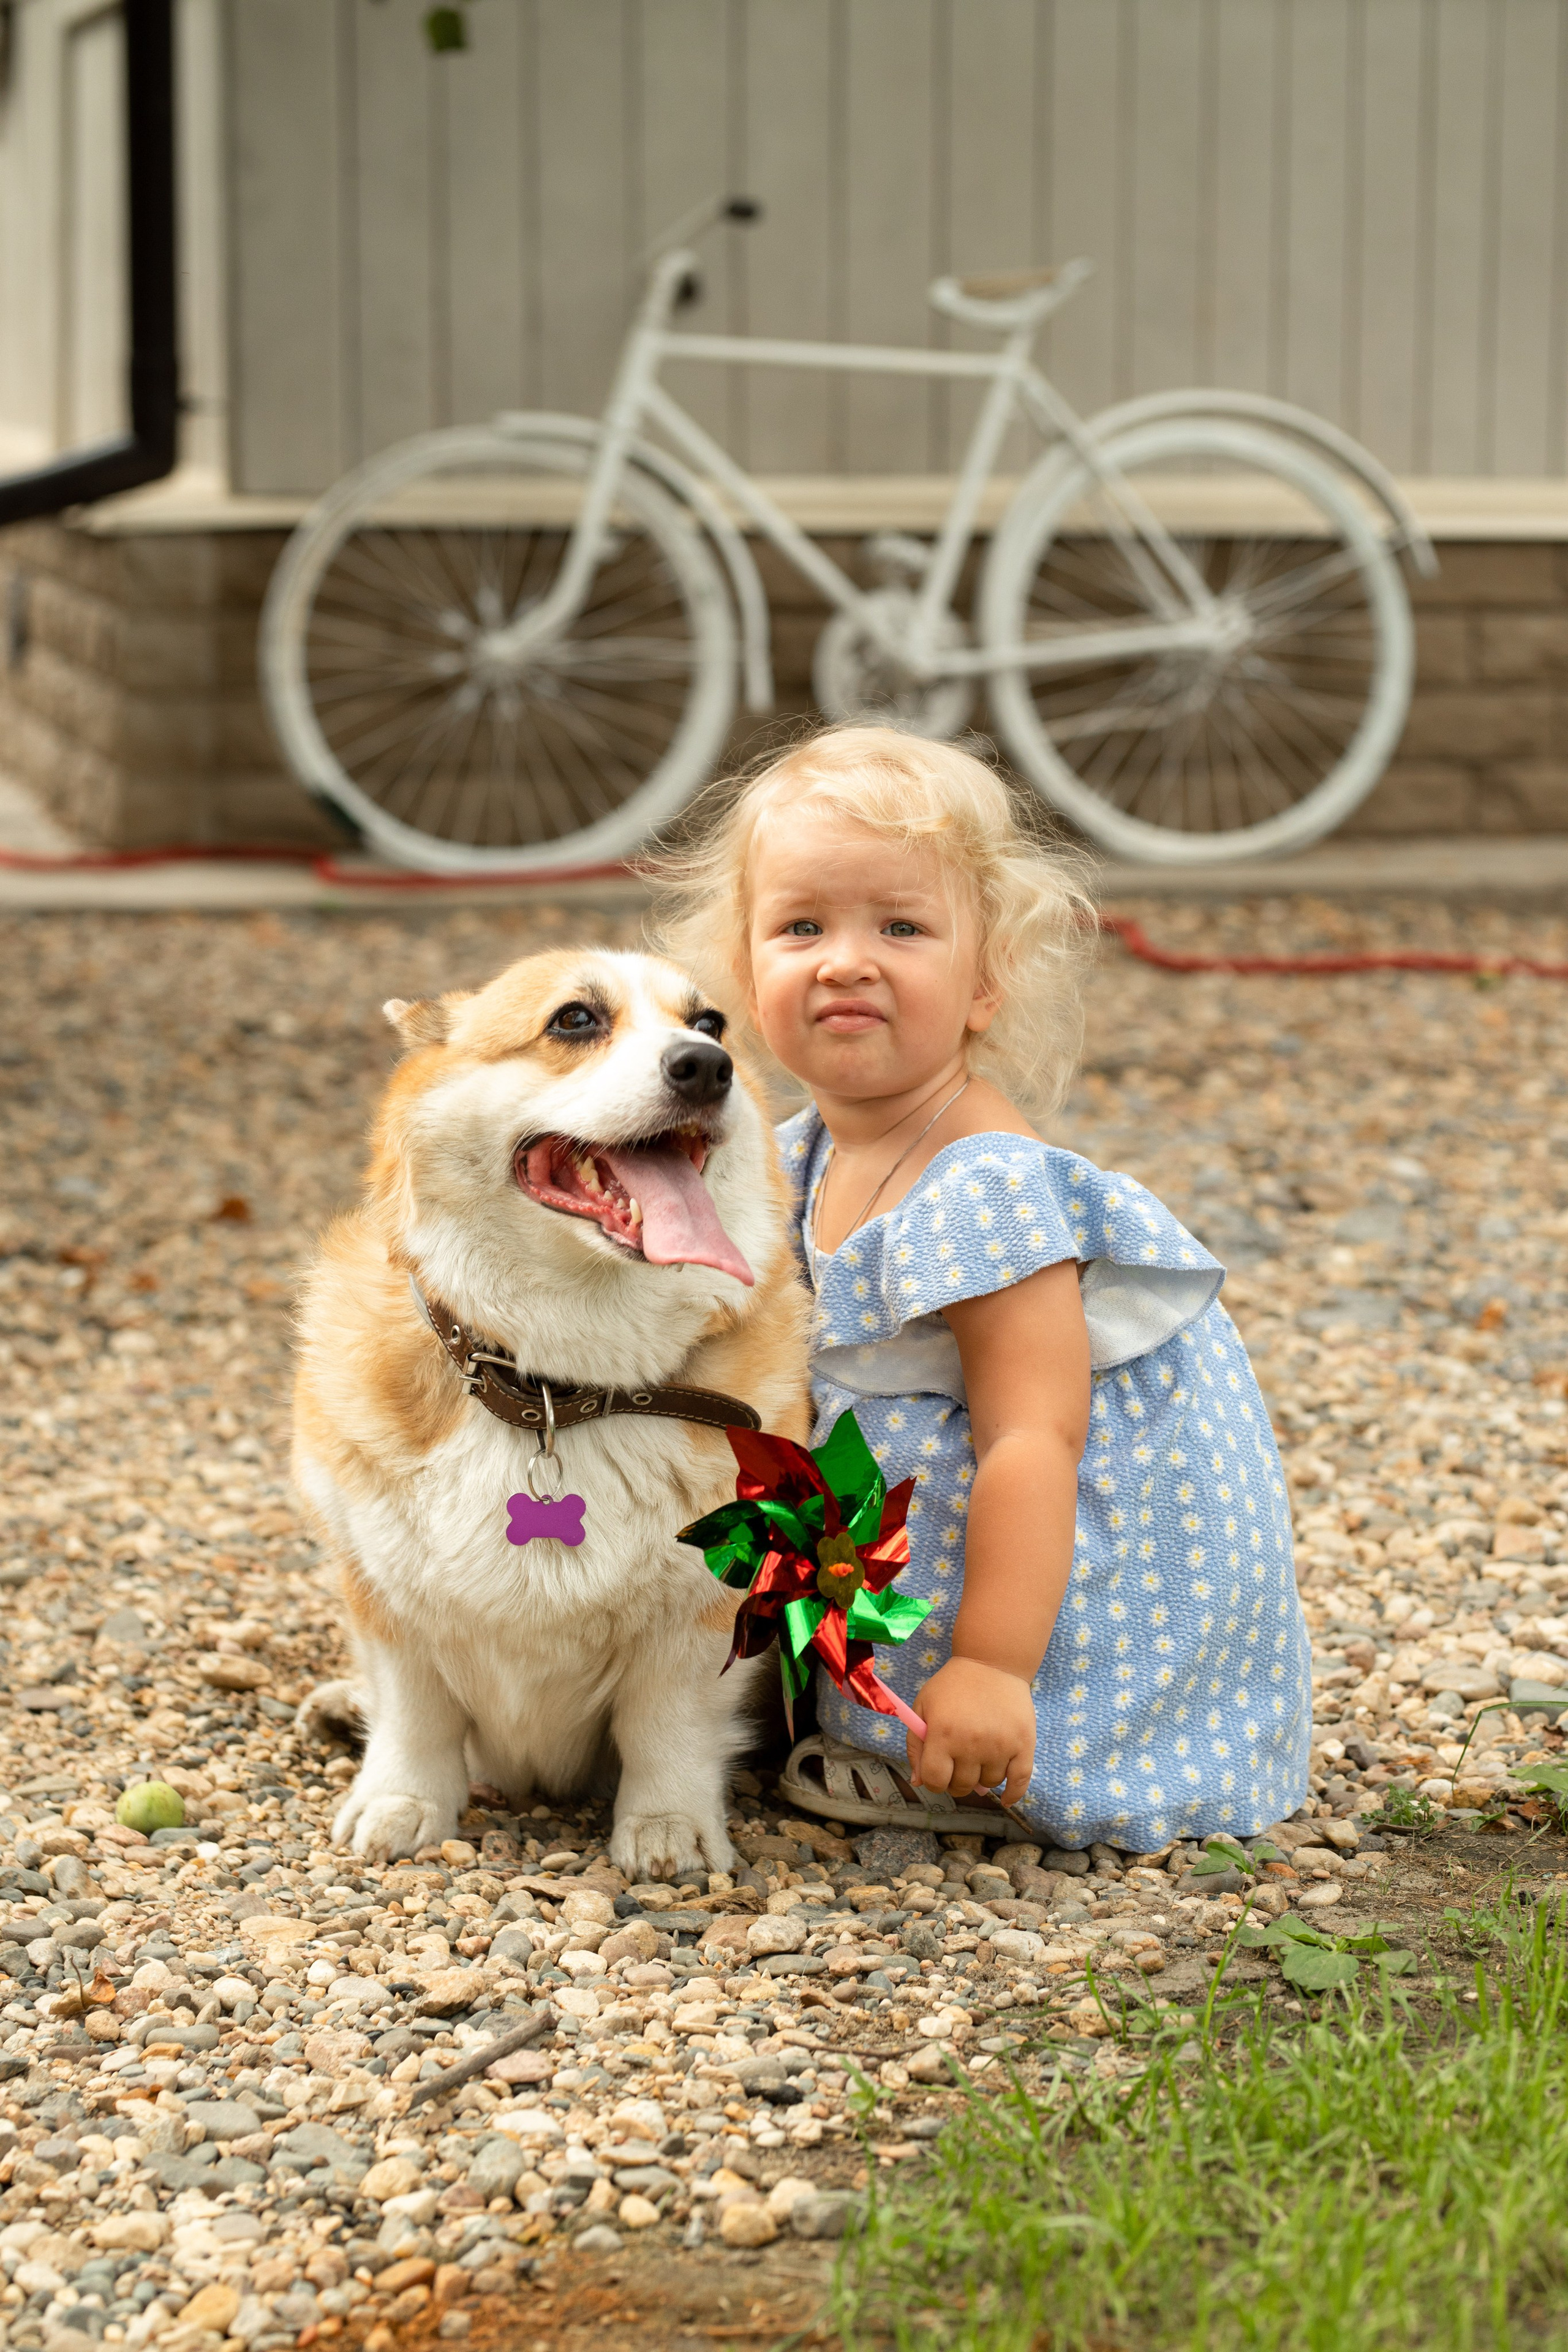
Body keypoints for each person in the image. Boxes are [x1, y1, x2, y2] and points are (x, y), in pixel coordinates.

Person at [657, 725, 1310, 1852]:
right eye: (801, 926)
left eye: (901, 928)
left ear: (986, 981)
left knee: (956, 1488)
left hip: (1047, 1588)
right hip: (883, 1550)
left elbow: (1032, 1440)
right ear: (743, 972)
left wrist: (993, 1666)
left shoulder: (985, 1185)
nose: (846, 959)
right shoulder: (798, 1151)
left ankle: (996, 1737)